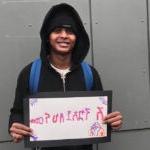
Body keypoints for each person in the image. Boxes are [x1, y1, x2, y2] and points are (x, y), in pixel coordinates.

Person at [9, 3, 123, 150]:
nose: (64, 35)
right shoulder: (30, 73)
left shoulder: (89, 74)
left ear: (76, 38)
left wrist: (113, 122)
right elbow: (17, 112)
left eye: (70, 31)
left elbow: (101, 117)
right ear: (48, 37)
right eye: (57, 31)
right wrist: (15, 126)